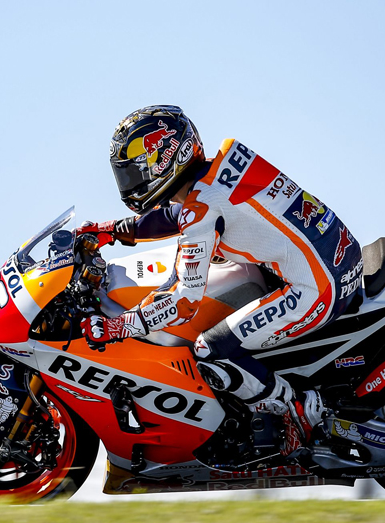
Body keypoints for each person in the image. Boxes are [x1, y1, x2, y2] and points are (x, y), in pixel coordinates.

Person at [78, 105, 362, 451]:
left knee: (210, 349)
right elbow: (181, 213)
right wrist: (113, 231)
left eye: (135, 172)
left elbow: (184, 302)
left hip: (317, 288)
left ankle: (297, 412)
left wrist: (120, 326)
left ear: (165, 158)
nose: (130, 183)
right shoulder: (221, 170)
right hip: (337, 256)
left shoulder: (201, 207)